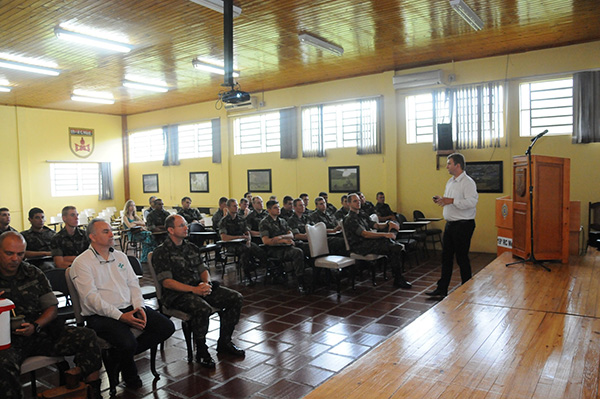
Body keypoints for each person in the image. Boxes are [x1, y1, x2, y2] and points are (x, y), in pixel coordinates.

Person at [70, 219, 175, 389]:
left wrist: (139, 306)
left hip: (128, 307)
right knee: (128, 342)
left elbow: (133, 284)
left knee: (166, 326)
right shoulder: (82, 262)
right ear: (93, 237)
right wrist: (120, 317)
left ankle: (117, 358)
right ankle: (129, 372)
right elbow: (91, 299)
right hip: (101, 315)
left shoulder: (120, 256)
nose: (112, 234)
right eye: (105, 231)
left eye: (111, 230)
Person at [0, 231, 103, 399]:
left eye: (20, 254)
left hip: (40, 331)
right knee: (3, 365)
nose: (15, 259)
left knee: (87, 336)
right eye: (9, 253)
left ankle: (91, 392)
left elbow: (51, 307)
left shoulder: (33, 273)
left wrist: (36, 325)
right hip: (7, 342)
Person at [152, 214, 245, 368]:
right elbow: (167, 283)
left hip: (198, 288)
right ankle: (201, 350)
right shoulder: (162, 252)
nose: (186, 227)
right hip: (177, 294)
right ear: (170, 230)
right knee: (203, 309)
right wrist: (194, 290)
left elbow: (203, 269)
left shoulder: (190, 247)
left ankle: (224, 342)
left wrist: (205, 284)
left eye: (185, 224)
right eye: (181, 225)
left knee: (236, 298)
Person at [426, 153, 478, 298]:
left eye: (449, 163)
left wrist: (452, 201)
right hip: (450, 224)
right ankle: (442, 289)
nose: (447, 166)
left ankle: (467, 289)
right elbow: (449, 201)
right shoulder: (450, 181)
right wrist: (442, 200)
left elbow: (471, 203)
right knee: (446, 257)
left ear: (458, 165)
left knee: (462, 258)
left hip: (463, 225)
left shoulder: (468, 182)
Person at [343, 194, 411, 289]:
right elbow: (365, 234)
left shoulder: (362, 214)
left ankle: (398, 278)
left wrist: (388, 223)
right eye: (355, 201)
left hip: (368, 242)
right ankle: (398, 278)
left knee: (393, 242)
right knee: (392, 246)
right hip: (359, 245)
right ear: (349, 203)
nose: (358, 202)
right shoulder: (349, 219)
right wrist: (385, 234)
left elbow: (376, 225)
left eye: (358, 200)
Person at [259, 200, 307, 293]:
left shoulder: (282, 221)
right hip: (275, 250)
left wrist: (280, 237)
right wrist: (284, 240)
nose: (278, 209)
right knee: (297, 252)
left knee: (306, 247)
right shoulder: (264, 223)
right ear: (269, 210)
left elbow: (291, 235)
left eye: (278, 207)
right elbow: (266, 241)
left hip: (285, 246)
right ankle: (300, 281)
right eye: (275, 208)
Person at [218, 199, 267, 286]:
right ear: (228, 207)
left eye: (237, 205)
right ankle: (247, 275)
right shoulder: (224, 221)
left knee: (258, 249)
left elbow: (247, 231)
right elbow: (224, 237)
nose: (237, 208)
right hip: (231, 245)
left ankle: (265, 269)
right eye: (234, 206)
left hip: (242, 242)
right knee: (245, 250)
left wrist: (248, 239)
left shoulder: (241, 219)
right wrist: (239, 237)